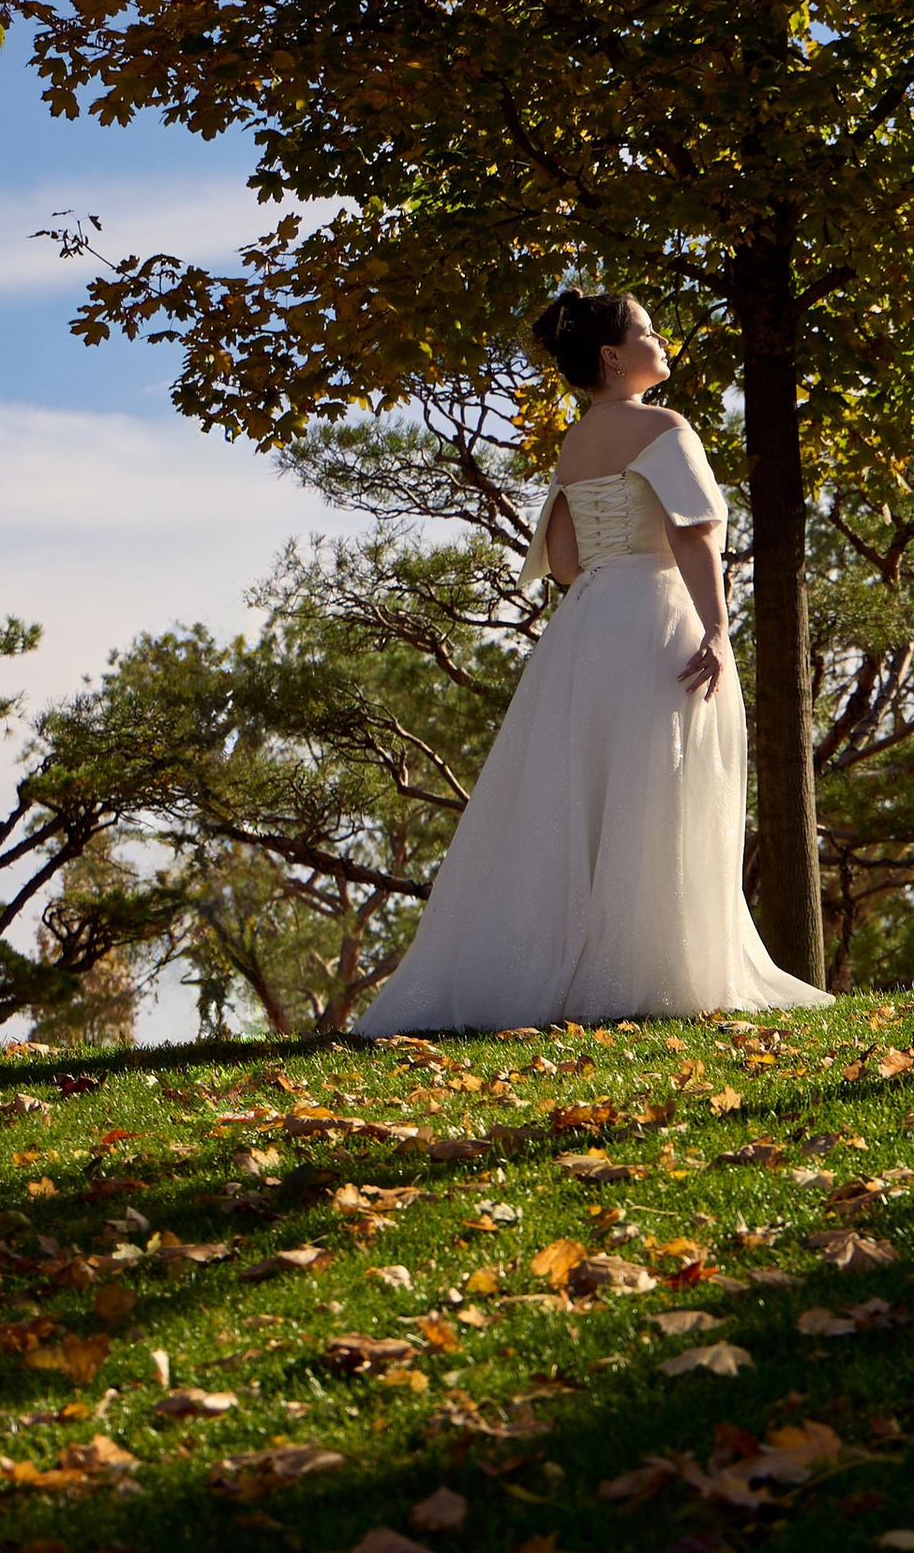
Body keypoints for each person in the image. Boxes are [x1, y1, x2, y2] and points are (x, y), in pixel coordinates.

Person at [357, 290, 832, 1030]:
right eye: (647, 331)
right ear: (612, 356)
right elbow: (695, 535)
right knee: (661, 785)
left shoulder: (574, 446)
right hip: (658, 616)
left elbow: (567, 561)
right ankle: (658, 974)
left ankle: (553, 973)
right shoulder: (665, 427)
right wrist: (714, 628)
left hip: (587, 628)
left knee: (581, 793)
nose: (661, 338)